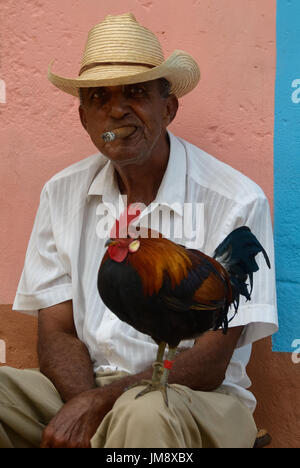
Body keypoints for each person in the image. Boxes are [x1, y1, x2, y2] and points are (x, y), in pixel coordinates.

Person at [0, 13, 277, 448]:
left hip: (196, 401)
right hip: (87, 388)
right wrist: (90, 404)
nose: (116, 110)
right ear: (84, 118)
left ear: (168, 108)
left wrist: (102, 404)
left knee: (143, 414)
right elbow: (57, 331)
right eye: (99, 97)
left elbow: (209, 362)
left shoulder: (236, 199)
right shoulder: (61, 193)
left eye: (135, 92)